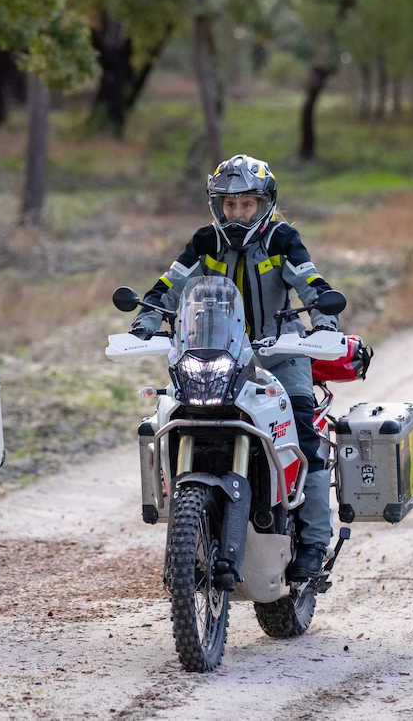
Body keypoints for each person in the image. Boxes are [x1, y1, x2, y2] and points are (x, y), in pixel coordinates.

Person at [129, 154, 339, 578]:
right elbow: (170, 284)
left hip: (281, 354)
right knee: (184, 420)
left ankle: (315, 543)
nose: (238, 213)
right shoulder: (206, 241)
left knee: (303, 436)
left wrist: (324, 319)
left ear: (265, 204)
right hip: (218, 352)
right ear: (217, 205)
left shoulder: (283, 239)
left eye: (247, 204)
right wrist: (146, 319)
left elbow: (311, 283)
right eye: (230, 204)